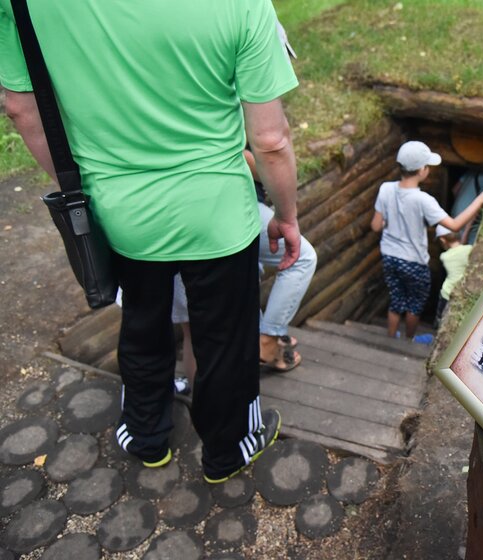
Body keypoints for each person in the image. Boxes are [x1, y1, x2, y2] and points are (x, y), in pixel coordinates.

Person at [1, 0, 301, 483]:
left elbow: (21, 106)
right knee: (225, 339)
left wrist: (92, 187)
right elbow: (269, 139)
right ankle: (226, 453)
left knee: (142, 324)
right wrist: (287, 216)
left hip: (121, 215)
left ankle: (146, 437)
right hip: (218, 215)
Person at [371, 141, 483, 340]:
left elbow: (375, 226)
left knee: (396, 300)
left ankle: (391, 338)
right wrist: (482, 197)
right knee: (414, 306)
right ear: (422, 170)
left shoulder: (385, 189)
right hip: (414, 262)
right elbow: (455, 225)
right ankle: (408, 341)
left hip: (389, 257)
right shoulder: (424, 200)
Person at [245, 147, 317, 372]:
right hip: (232, 200)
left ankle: (263, 338)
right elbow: (259, 150)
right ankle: (268, 340)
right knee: (302, 258)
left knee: (246, 270)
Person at [434, 225, 472, 327]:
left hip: (446, 292)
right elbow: (462, 250)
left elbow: (458, 251)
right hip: (461, 292)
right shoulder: (469, 250)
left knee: (441, 320)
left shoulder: (444, 257)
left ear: (442, 239)